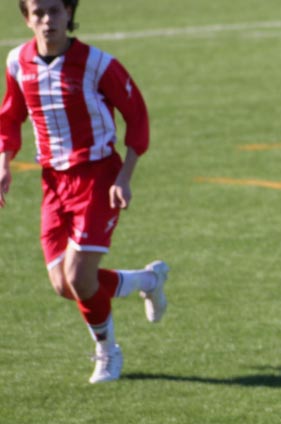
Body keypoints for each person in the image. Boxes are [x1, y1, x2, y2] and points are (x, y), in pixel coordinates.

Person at [0, 0, 169, 384]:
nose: (48, 20)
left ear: (69, 13)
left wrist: (124, 176)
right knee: (65, 285)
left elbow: (137, 115)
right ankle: (148, 281)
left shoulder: (98, 64)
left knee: (78, 277)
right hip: (53, 184)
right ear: (26, 18)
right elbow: (10, 114)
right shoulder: (17, 62)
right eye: (38, 12)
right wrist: (4, 162)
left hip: (98, 178)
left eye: (55, 11)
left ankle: (107, 352)